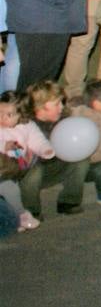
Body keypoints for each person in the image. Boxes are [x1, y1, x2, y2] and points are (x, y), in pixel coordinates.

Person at [16, 80, 89, 218]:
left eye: (62, 102)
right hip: (32, 172)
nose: (61, 107)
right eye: (57, 104)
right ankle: (31, 211)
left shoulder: (64, 120)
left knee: (81, 159)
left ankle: (69, 201)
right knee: (33, 172)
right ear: (40, 107)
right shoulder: (26, 125)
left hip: (53, 167)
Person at [0, 89, 50, 231]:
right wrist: (4, 145)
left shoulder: (27, 126)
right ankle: (19, 215)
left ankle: (26, 212)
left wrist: (45, 149)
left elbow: (37, 140)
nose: (2, 117)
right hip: (3, 168)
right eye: (0, 112)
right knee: (10, 189)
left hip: (19, 166)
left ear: (21, 115)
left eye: (8, 115)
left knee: (31, 176)